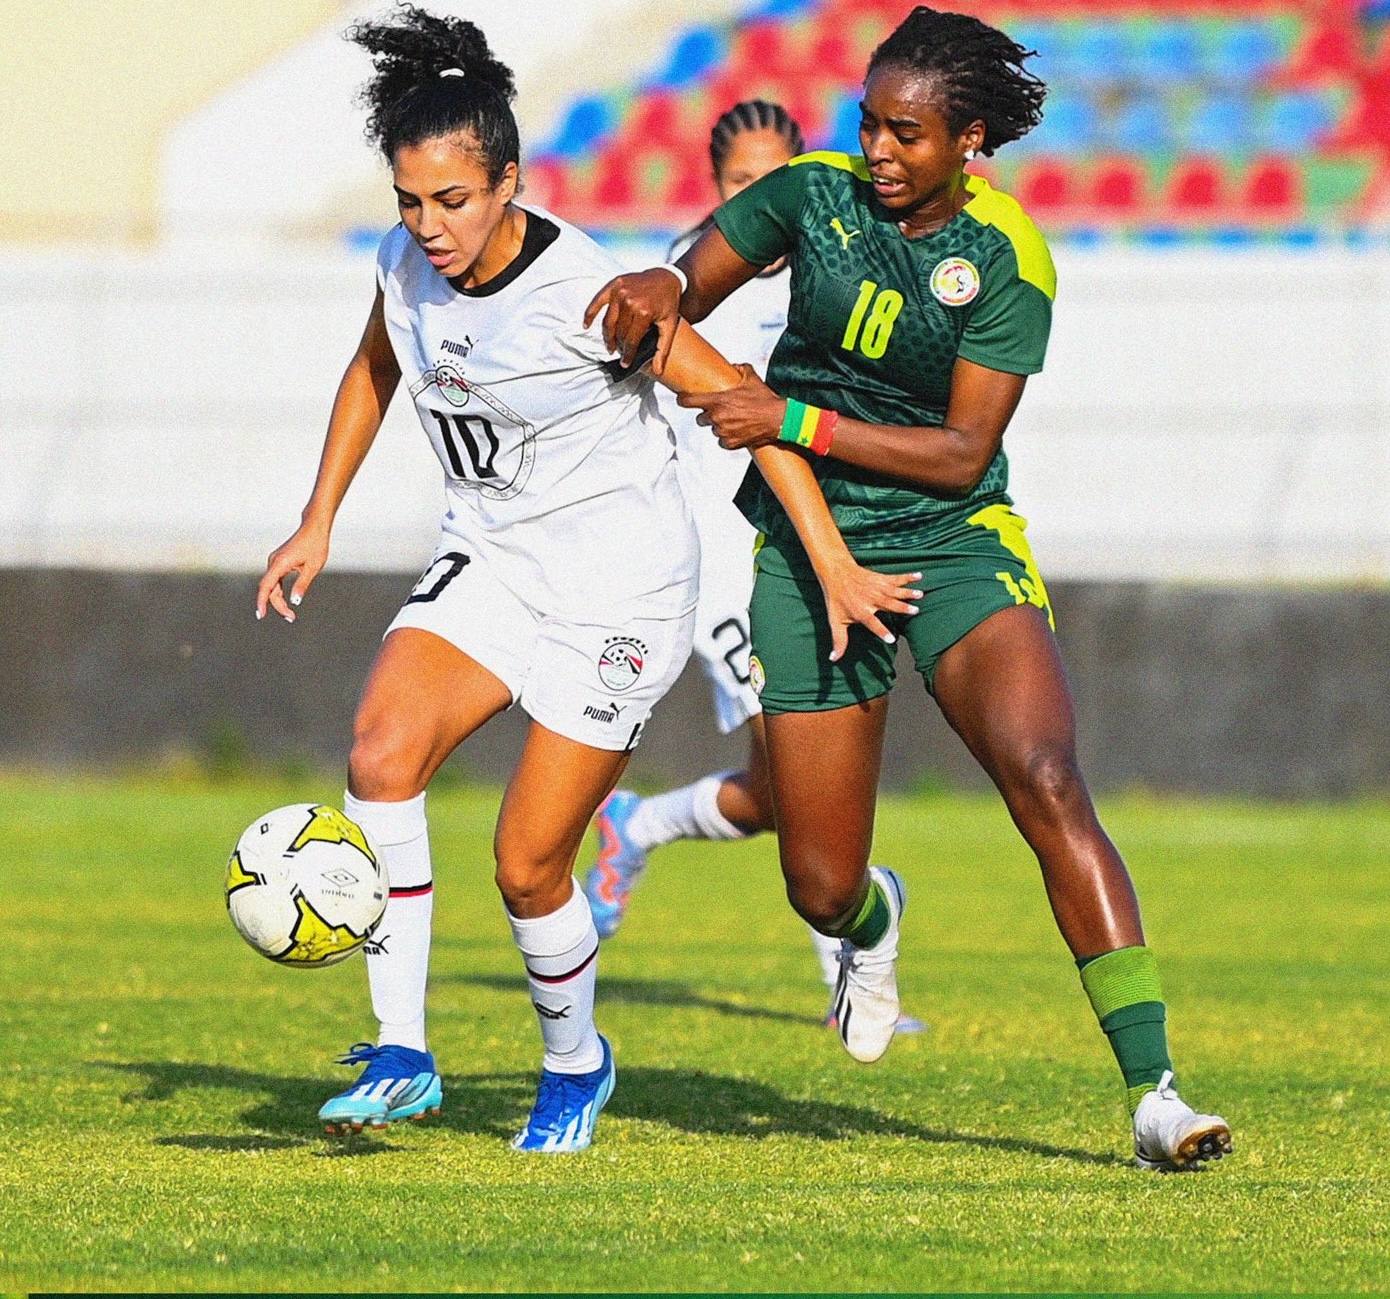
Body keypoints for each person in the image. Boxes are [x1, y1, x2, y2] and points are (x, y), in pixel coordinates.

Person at [255, 7, 914, 1153]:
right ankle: (403, 1051)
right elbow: (374, 365)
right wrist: (316, 520)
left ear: (509, 182)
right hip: (496, 559)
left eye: (453, 200)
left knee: (527, 866)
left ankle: (576, 1062)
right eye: (410, 202)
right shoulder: (403, 261)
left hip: (620, 587)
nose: (430, 225)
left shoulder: (593, 299)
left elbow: (744, 416)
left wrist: (834, 557)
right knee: (379, 753)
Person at [587, 5, 1232, 1170]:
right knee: (819, 885)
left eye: (908, 133)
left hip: (953, 539)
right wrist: (657, 280)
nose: (878, 150)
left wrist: (786, 416)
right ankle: (872, 923)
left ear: (971, 140)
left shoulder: (1006, 259)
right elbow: (695, 277)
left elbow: (961, 453)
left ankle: (1156, 1095)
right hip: (803, 542)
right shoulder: (812, 194)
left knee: (1047, 779)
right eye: (871, 123)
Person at [584, 99, 925, 1036]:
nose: (758, 196)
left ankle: (639, 826)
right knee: (802, 767)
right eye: (742, 182)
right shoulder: (686, 281)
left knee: (786, 791)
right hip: (725, 558)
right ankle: (852, 980)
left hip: (810, 535)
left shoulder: (834, 261)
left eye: (774, 177)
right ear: (718, 185)